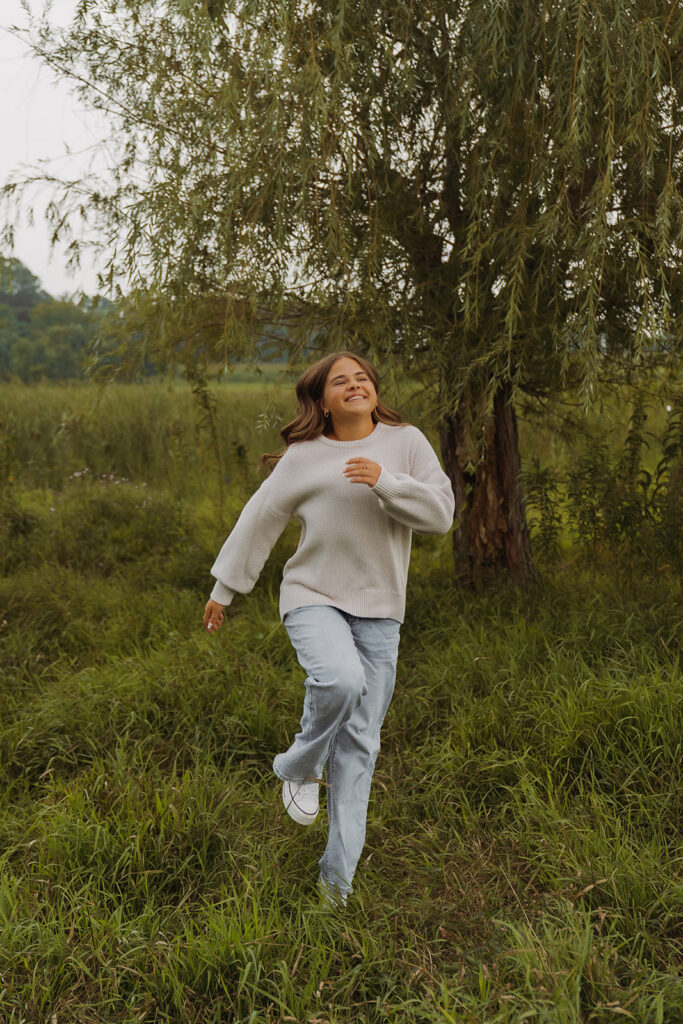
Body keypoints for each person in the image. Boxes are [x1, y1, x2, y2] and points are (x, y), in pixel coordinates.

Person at [203, 351, 454, 905]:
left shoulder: (406, 442)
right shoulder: (303, 457)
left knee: (360, 748)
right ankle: (299, 763)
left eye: (362, 376)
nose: (354, 384)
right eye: (340, 381)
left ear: (374, 388)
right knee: (340, 680)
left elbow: (440, 515)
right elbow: (259, 519)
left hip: (382, 609)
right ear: (322, 400)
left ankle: (335, 887)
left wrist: (386, 481)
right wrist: (225, 589)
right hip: (312, 595)